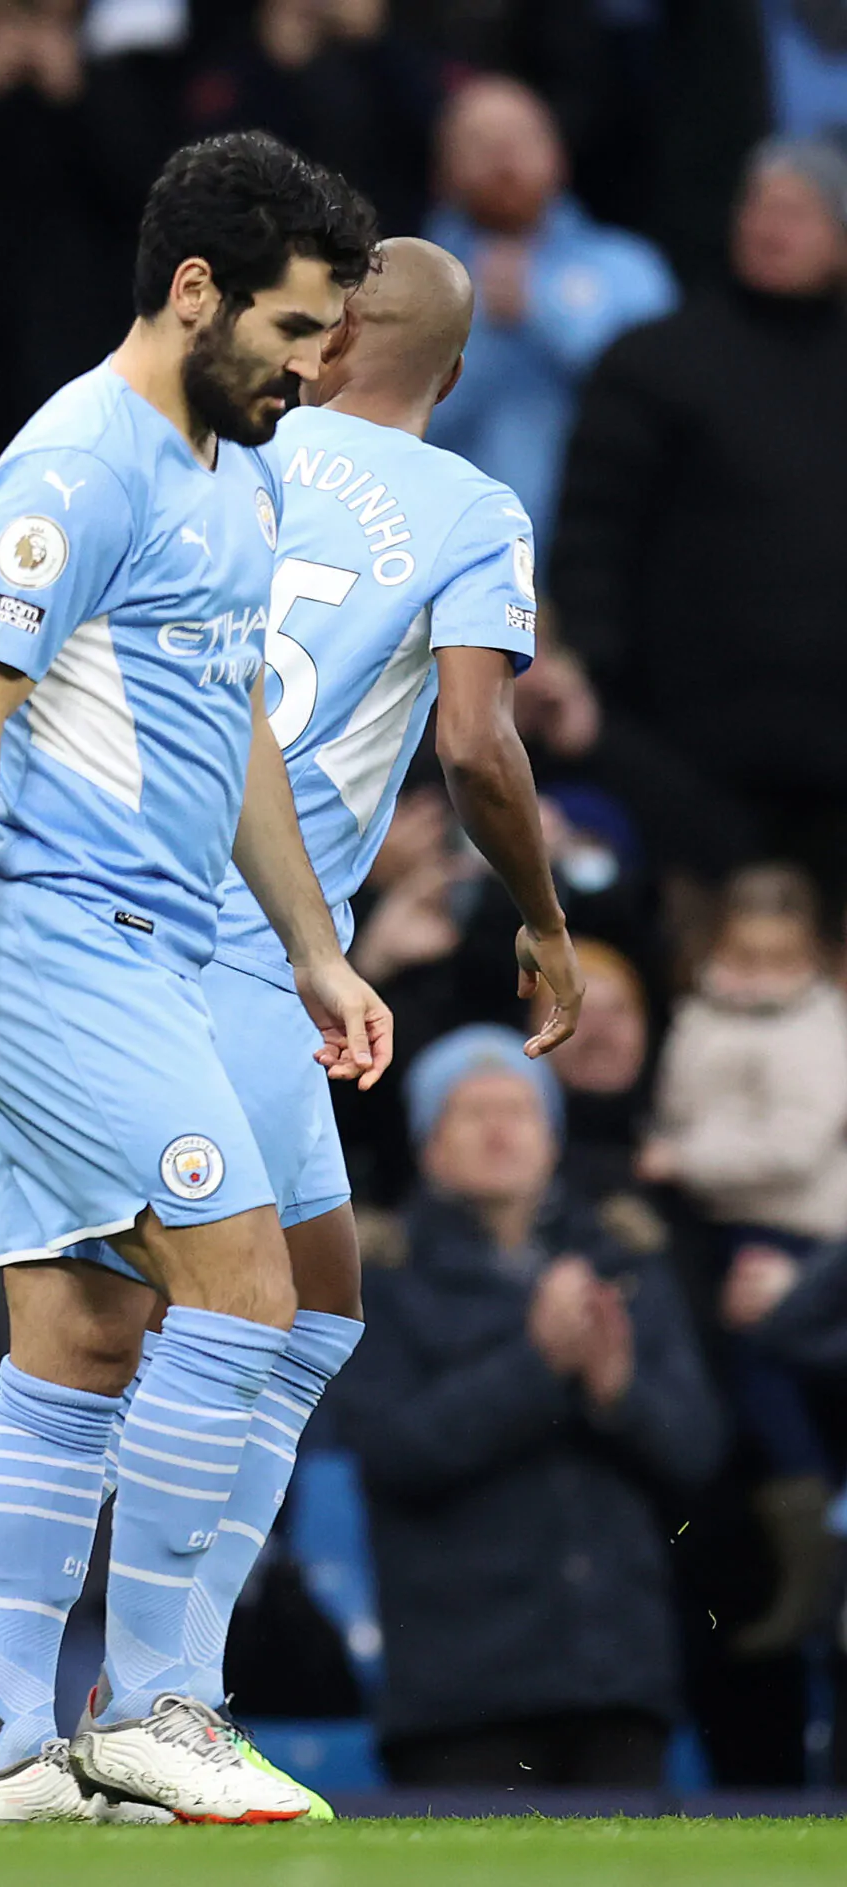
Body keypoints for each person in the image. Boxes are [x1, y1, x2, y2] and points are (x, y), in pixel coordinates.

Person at [0, 232, 587, 1822]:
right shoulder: (460, 504)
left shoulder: (224, 441)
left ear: (329, 336)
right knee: (247, 1309)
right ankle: (157, 1692)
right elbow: (477, 738)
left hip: (189, 925)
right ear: (447, 375)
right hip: (174, 941)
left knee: (155, 1323)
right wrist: (544, 915)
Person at [0, 132, 384, 1824]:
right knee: (243, 1292)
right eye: (298, 331)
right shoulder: (79, 462)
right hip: (53, 935)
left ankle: (2, 1746)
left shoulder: (238, 472)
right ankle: (162, 1700)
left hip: (164, 948)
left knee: (86, 1335)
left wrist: (313, 945)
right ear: (194, 293)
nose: (316, 370)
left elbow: (232, 722)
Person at [335, 1025, 722, 1788]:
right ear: (427, 1142)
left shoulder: (623, 1257)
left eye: (520, 1108)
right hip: (461, 1696)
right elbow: (393, 1450)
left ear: (553, 1135)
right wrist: (539, 1363)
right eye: (471, 1112)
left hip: (619, 1679)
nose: (500, 1128)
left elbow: (699, 1448)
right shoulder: (381, 1271)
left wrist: (618, 1393)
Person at [550, 137, 847, 889]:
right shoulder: (654, 361)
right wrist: (590, 664)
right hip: (687, 749)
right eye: (759, 205)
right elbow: (592, 530)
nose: (769, 226)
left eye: (797, 211)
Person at [641, 862, 847, 1654]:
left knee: (769, 1366)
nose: (758, 975)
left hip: (798, 1232)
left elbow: (795, 1146)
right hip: (721, 1226)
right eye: (745, 954)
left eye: (778, 958)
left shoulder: (819, 1026)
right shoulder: (701, 1015)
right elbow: (677, 1105)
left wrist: (685, 1158)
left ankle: (814, 1545)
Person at [421, 76, 675, 541]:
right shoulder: (404, 280)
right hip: (446, 554)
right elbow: (389, 425)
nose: (503, 157)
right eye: (479, 142)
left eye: (520, 137)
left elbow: (659, 402)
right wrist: (481, 330)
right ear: (442, 171)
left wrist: (543, 313)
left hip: (603, 551)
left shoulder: (630, 269)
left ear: (559, 155)